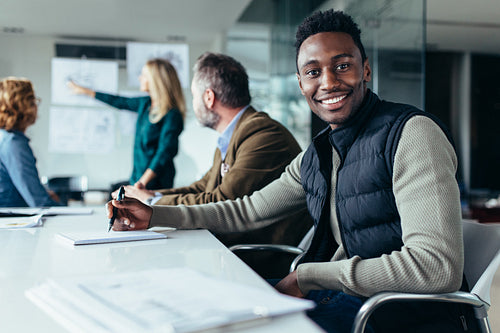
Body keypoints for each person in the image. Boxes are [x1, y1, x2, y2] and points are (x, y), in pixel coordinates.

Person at [106, 10, 478, 333]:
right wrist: (155, 215)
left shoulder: (411, 133)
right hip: (344, 298)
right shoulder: (318, 153)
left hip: (395, 316)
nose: (329, 82)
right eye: (313, 71)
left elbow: (435, 267)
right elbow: (246, 210)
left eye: (343, 65)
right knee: (186, 306)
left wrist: (308, 276)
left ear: (366, 69)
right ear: (301, 85)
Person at [116, 52, 312, 251]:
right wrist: (149, 194)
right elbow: (202, 187)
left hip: (260, 256)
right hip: (235, 247)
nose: (193, 104)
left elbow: (222, 201)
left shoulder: (262, 135)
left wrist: (151, 202)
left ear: (209, 98)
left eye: (194, 96)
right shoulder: (233, 135)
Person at [68, 58, 185, 190]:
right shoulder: (145, 104)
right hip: (137, 179)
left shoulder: (172, 115)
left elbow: (164, 153)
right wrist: (87, 92)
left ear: (155, 80)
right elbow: (119, 101)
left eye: (144, 75)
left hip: (156, 184)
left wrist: (142, 182)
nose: (140, 78)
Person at [0, 77, 61, 207]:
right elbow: (39, 202)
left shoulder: (5, 138)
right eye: (33, 101)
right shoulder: (13, 143)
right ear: (23, 105)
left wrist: (44, 193)